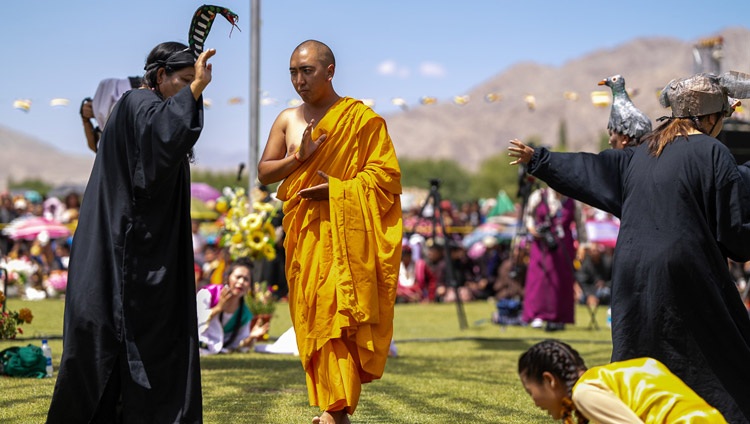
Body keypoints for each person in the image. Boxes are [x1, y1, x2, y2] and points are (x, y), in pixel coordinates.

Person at [508, 71, 750, 422]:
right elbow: (734, 231)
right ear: (711, 117)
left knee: (640, 346)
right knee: (723, 348)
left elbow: (591, 169)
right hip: (687, 267)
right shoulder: (713, 152)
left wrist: (540, 160)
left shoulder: (642, 152)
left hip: (630, 268)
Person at [46, 42, 216, 423]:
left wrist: (189, 92)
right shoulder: (138, 104)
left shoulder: (141, 108)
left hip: (141, 250)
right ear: (160, 77)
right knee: (108, 353)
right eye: (184, 81)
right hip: (125, 254)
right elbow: (165, 137)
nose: (193, 88)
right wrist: (195, 91)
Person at [257, 39, 402, 424]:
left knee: (338, 311)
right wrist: (297, 158)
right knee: (311, 313)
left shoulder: (360, 119)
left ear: (329, 72)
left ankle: (334, 411)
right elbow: (264, 172)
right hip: (305, 234)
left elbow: (385, 178)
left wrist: (337, 191)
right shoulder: (288, 119)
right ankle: (332, 410)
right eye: (293, 72)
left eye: (307, 71)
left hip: (345, 238)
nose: (298, 80)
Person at [518, 339, 727, 423]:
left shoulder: (585, 393)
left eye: (530, 392)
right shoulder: (607, 379)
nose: (535, 402)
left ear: (549, 380)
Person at [522, 186, 586, 332]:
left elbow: (580, 224)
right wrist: (532, 228)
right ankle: (537, 315)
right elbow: (529, 215)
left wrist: (583, 244)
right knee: (539, 279)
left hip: (564, 245)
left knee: (562, 281)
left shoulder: (572, 199)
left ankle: (560, 317)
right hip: (541, 244)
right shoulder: (539, 195)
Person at [196, 258, 269, 354]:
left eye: (246, 279)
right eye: (238, 277)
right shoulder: (208, 294)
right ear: (227, 278)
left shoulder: (245, 312)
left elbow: (237, 345)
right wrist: (218, 308)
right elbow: (195, 322)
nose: (241, 282)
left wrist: (251, 337)